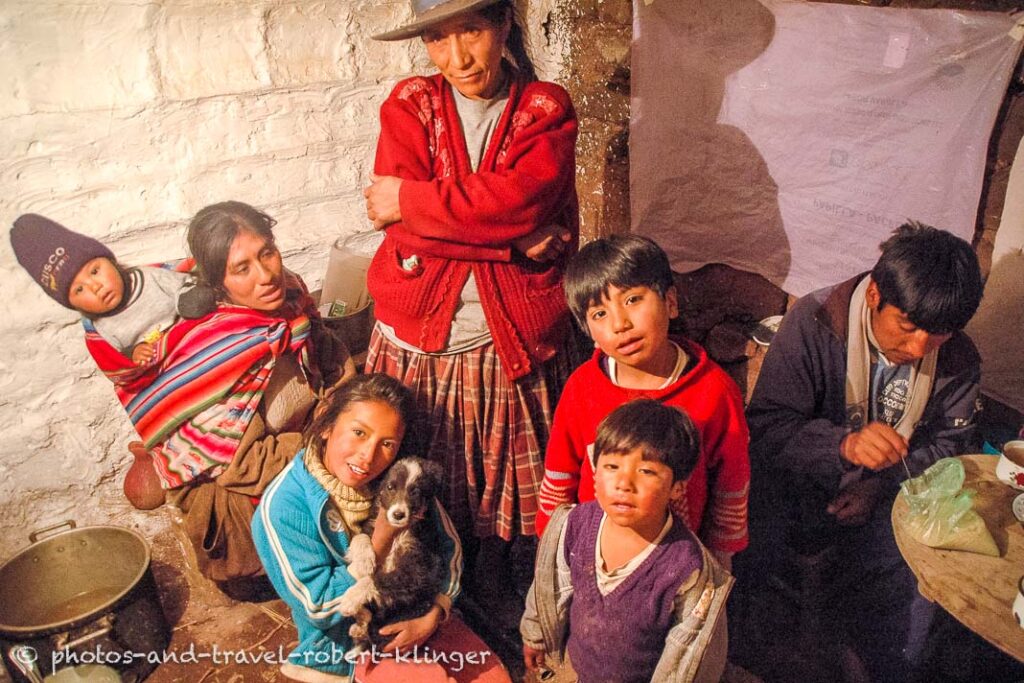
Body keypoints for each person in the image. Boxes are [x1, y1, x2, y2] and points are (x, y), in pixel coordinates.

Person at [364, 0, 582, 594]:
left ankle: (497, 602)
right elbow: (400, 225)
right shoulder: (410, 102)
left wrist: (414, 201)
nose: (457, 58)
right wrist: (507, 248)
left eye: (472, 31)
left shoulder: (545, 108)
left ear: (505, 23)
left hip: (501, 339)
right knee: (421, 492)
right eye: (437, 39)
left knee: (505, 511)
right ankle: (429, 598)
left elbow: (521, 202)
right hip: (416, 338)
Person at [741, 221, 985, 680]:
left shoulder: (959, 359)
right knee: (750, 544)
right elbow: (768, 429)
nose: (917, 348)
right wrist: (845, 445)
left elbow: (951, 448)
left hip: (889, 501)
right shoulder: (815, 323)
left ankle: (873, 663)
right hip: (800, 485)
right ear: (874, 295)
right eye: (907, 327)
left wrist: (881, 486)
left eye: (937, 337)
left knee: (920, 582)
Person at [91, 201, 354, 591]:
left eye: (267, 252)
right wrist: (332, 439)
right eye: (241, 268)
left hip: (298, 446)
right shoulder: (214, 348)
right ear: (218, 283)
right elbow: (242, 466)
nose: (266, 275)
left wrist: (342, 404)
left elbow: (332, 359)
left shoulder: (290, 297)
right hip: (240, 492)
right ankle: (276, 568)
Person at [252, 373, 511, 683]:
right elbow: (317, 606)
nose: (369, 456)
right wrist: (380, 542)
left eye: (387, 443)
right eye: (359, 432)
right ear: (325, 424)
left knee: (496, 679)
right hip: (347, 645)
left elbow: (449, 547)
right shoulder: (284, 507)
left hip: (419, 609)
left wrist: (436, 612)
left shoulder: (398, 477)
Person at [535, 234, 749, 570]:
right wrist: (553, 557)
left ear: (671, 302)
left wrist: (718, 560)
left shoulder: (714, 391)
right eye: (600, 313)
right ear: (587, 330)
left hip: (683, 560)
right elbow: (560, 477)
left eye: (633, 299)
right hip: (593, 558)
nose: (620, 324)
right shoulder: (583, 389)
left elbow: (731, 482)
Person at [520, 399, 732, 683]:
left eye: (646, 471)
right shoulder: (575, 524)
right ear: (595, 473)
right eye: (611, 466)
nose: (623, 483)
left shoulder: (686, 567)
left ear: (677, 488)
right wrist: (535, 634)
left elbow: (684, 655)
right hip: (576, 670)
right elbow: (550, 584)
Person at [9, 213, 211, 369]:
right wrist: (134, 352)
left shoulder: (149, 278)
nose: (95, 287)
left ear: (111, 262)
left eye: (95, 271)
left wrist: (190, 299)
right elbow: (119, 360)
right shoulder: (101, 329)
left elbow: (186, 284)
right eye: (79, 289)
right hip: (172, 369)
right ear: (72, 304)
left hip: (199, 339)